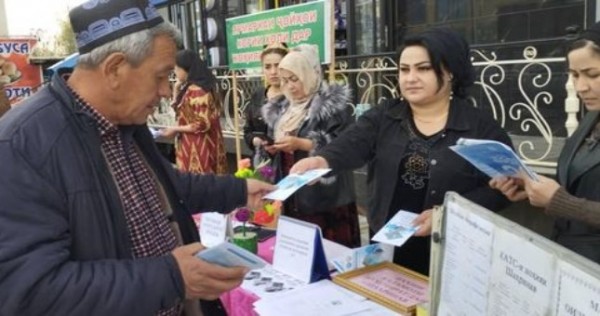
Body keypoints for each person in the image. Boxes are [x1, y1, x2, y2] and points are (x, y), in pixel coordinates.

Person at [0, 1, 273, 315]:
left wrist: (237, 191)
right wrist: (172, 277)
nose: (167, 92)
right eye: (161, 77)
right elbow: (31, 291)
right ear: (115, 68)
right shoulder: (22, 146)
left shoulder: (126, 120)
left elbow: (167, 187)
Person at [291, 28, 511, 275]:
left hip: (449, 249)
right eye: (404, 69)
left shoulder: (479, 127)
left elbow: (502, 188)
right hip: (387, 240)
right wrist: (323, 159)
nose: (410, 78)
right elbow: (354, 141)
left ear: (450, 71)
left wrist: (447, 214)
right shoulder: (386, 115)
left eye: (423, 68)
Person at [490, 22, 600, 260]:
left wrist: (561, 202)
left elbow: (568, 200)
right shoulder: (590, 120)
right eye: (574, 75)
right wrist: (529, 185)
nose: (581, 87)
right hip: (573, 262)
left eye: (593, 74)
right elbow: (578, 185)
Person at [261, 44, 360, 248]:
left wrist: (302, 143)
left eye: (295, 79)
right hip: (293, 190)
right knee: (300, 248)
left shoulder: (331, 107)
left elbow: (345, 146)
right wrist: (273, 147)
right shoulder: (285, 107)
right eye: (285, 80)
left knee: (328, 249)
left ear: (308, 74)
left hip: (325, 197)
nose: (289, 86)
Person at [161, 49, 227, 174]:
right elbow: (181, 110)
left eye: (176, 69)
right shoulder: (194, 86)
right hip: (199, 144)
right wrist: (176, 87)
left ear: (186, 69)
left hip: (198, 148)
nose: (175, 72)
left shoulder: (197, 91)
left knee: (201, 184)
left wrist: (175, 129)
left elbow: (201, 124)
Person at [243, 42, 289, 166]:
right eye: (267, 67)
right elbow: (248, 131)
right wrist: (255, 140)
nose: (273, 72)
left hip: (290, 164)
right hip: (263, 164)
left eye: (278, 66)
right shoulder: (258, 95)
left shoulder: (294, 95)